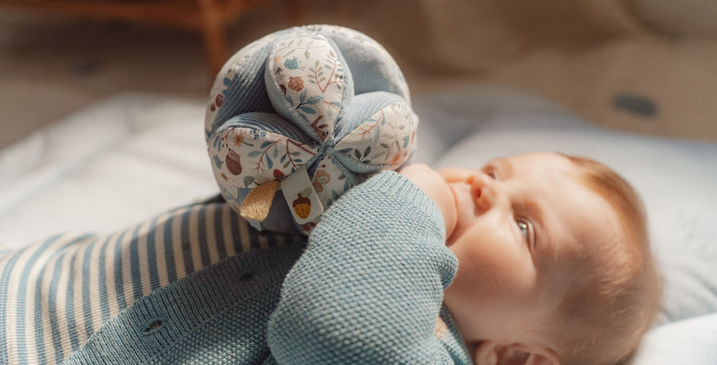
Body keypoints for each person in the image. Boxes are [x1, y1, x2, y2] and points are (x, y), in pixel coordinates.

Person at [0, 152, 659, 365]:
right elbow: (238, 215)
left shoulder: (427, 347)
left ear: (516, 357)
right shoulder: (372, 227)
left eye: (523, 226)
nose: (482, 187)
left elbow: (335, 332)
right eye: (495, 170)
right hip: (41, 273)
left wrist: (411, 199)